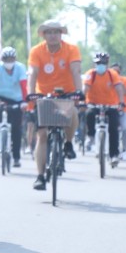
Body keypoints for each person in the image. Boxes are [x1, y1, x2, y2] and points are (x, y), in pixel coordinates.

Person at [27, 19, 82, 191]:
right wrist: (31, 93)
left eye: (55, 32)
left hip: (66, 93)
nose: (52, 35)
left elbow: (76, 71)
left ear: (61, 34)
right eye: (48, 32)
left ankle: (68, 143)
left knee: (72, 112)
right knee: (42, 134)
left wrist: (79, 91)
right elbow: (32, 73)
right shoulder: (36, 51)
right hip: (43, 94)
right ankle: (40, 176)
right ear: (43, 35)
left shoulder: (71, 49)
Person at [0, 46, 28, 167]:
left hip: (17, 99)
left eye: (11, 59)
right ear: (2, 59)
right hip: (0, 95)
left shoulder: (20, 68)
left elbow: (24, 86)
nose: (9, 62)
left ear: (15, 59)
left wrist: (24, 101)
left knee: (16, 129)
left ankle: (16, 158)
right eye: (6, 59)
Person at [83, 51, 126, 168]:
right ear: (94, 64)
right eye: (98, 63)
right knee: (89, 114)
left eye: (103, 63)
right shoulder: (90, 74)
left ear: (107, 64)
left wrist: (121, 102)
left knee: (113, 128)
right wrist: (81, 100)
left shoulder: (113, 75)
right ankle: (90, 136)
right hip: (94, 104)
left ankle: (114, 155)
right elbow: (85, 89)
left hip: (110, 105)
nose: (100, 65)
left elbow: (119, 88)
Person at [111, 62, 126, 160]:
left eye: (117, 71)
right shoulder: (107, 79)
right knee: (111, 128)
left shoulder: (125, 80)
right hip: (112, 107)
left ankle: (124, 149)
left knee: (125, 129)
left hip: (125, 108)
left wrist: (120, 83)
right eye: (113, 71)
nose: (116, 73)